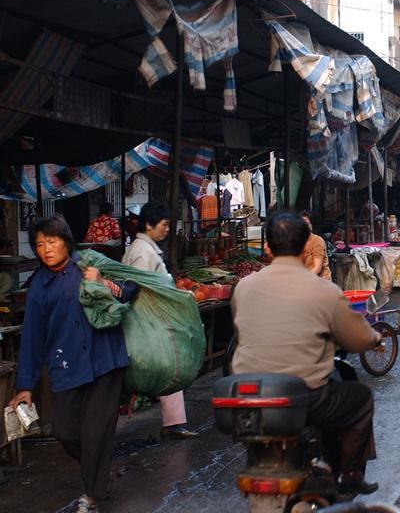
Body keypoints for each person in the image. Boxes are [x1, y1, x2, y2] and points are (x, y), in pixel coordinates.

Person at [230, 211, 383, 497]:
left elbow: (242, 331)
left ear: (267, 247)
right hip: (305, 397)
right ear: (305, 247)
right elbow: (358, 337)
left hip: (248, 397)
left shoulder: (243, 288)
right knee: (361, 399)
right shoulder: (323, 290)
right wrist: (374, 338)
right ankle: (349, 474)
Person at [10, 215, 138, 513]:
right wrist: (25, 385)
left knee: (95, 433)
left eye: (52, 242)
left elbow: (132, 287)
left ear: (66, 241)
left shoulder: (90, 263)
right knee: (64, 431)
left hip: (105, 361)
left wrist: (106, 284)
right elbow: (32, 337)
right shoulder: (39, 286)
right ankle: (99, 470)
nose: (46, 249)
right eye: (39, 244)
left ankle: (91, 497)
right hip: (67, 366)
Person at [121, 203, 198, 439]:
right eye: (164, 225)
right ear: (149, 225)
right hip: (146, 321)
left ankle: (174, 422)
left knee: (168, 364)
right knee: (168, 364)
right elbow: (139, 288)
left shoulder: (147, 249)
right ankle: (173, 423)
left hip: (151, 320)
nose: (167, 229)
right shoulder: (142, 252)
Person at [299, 211, 333, 282]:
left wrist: (303, 281)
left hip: (321, 281)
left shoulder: (317, 241)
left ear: (311, 226)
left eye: (306, 223)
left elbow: (317, 268)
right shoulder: (297, 241)